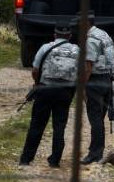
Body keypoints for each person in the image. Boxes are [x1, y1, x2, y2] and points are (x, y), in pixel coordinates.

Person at [20, 22, 79, 167]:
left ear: (54, 34)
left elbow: (35, 70)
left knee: (37, 125)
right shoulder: (77, 50)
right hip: (65, 91)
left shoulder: (46, 48)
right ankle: (55, 160)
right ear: (70, 36)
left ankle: (26, 159)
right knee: (59, 126)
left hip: (45, 89)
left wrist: (37, 83)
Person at [80, 13, 114, 164]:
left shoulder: (91, 39)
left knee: (95, 118)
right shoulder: (104, 34)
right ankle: (97, 150)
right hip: (107, 79)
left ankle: (95, 154)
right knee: (99, 119)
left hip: (95, 81)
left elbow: (88, 66)